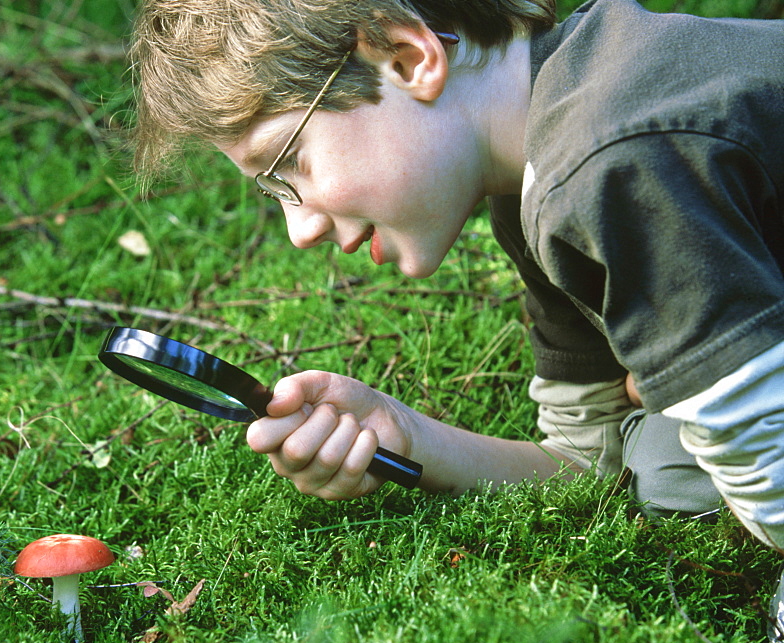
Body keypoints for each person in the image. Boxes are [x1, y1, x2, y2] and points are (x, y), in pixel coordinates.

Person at [128, 0, 784, 556]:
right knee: (666, 465)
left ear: (408, 59)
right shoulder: (539, 173)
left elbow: (770, 469)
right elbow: (592, 457)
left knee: (691, 468)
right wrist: (405, 434)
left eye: (289, 163)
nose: (300, 229)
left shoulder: (608, 161)